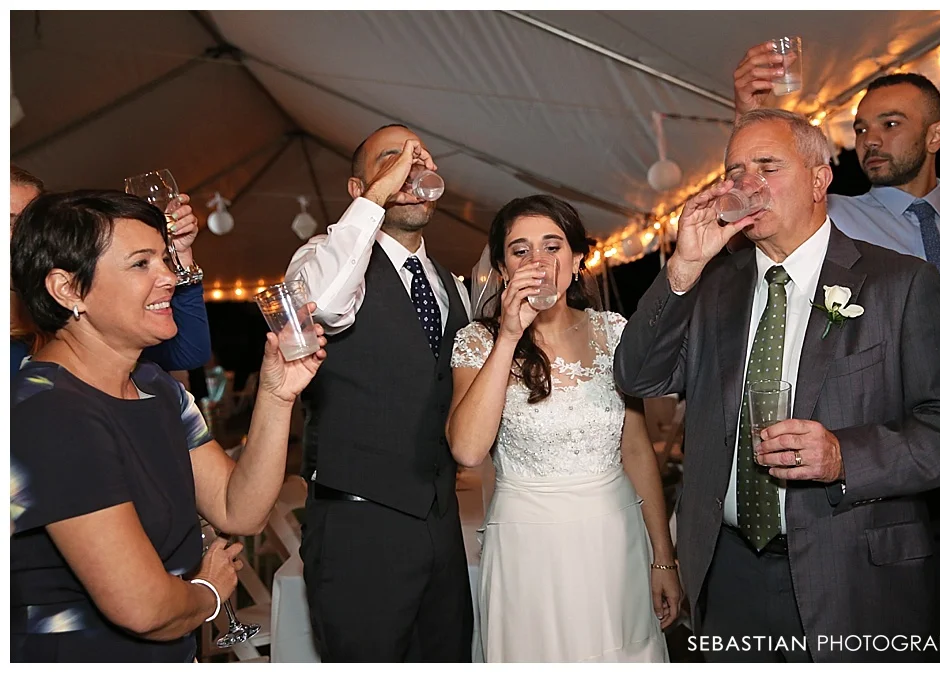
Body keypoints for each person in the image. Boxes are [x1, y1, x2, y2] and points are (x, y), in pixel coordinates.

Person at [613, 109, 940, 662]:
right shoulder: (712, 286)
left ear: (820, 179)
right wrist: (682, 269)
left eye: (767, 165)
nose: (747, 183)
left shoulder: (900, 283)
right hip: (727, 569)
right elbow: (638, 375)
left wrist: (846, 457)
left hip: (854, 573)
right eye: (736, 171)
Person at [732, 54, 940, 660]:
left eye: (890, 124)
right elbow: (772, 194)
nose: (870, 140)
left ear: (937, 135)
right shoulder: (838, 212)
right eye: (862, 128)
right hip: (866, 461)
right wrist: (751, 113)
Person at [10, 190, 326, 662]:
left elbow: (238, 509)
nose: (170, 277)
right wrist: (208, 592)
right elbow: (145, 608)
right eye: (142, 264)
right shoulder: (49, 410)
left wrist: (277, 395)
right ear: (68, 290)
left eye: (166, 259)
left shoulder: (154, 386)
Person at [446, 195, 679, 662]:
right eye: (520, 250)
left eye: (552, 247)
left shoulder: (614, 332)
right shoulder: (479, 341)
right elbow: (468, 450)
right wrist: (510, 335)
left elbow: (635, 450)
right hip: (528, 546)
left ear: (576, 260)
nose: (538, 262)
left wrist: (662, 556)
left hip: (615, 538)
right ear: (502, 267)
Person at [285, 124, 474, 662]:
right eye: (393, 159)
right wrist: (377, 199)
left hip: (440, 523)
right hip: (357, 523)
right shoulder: (319, 256)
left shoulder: (448, 281)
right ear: (356, 188)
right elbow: (320, 306)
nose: (412, 169)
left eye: (421, 159)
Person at [10, 164, 212, 377]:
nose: (23, 235)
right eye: (9, 222)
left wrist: (179, 258)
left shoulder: (69, 317)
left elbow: (189, 353)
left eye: (32, 222)